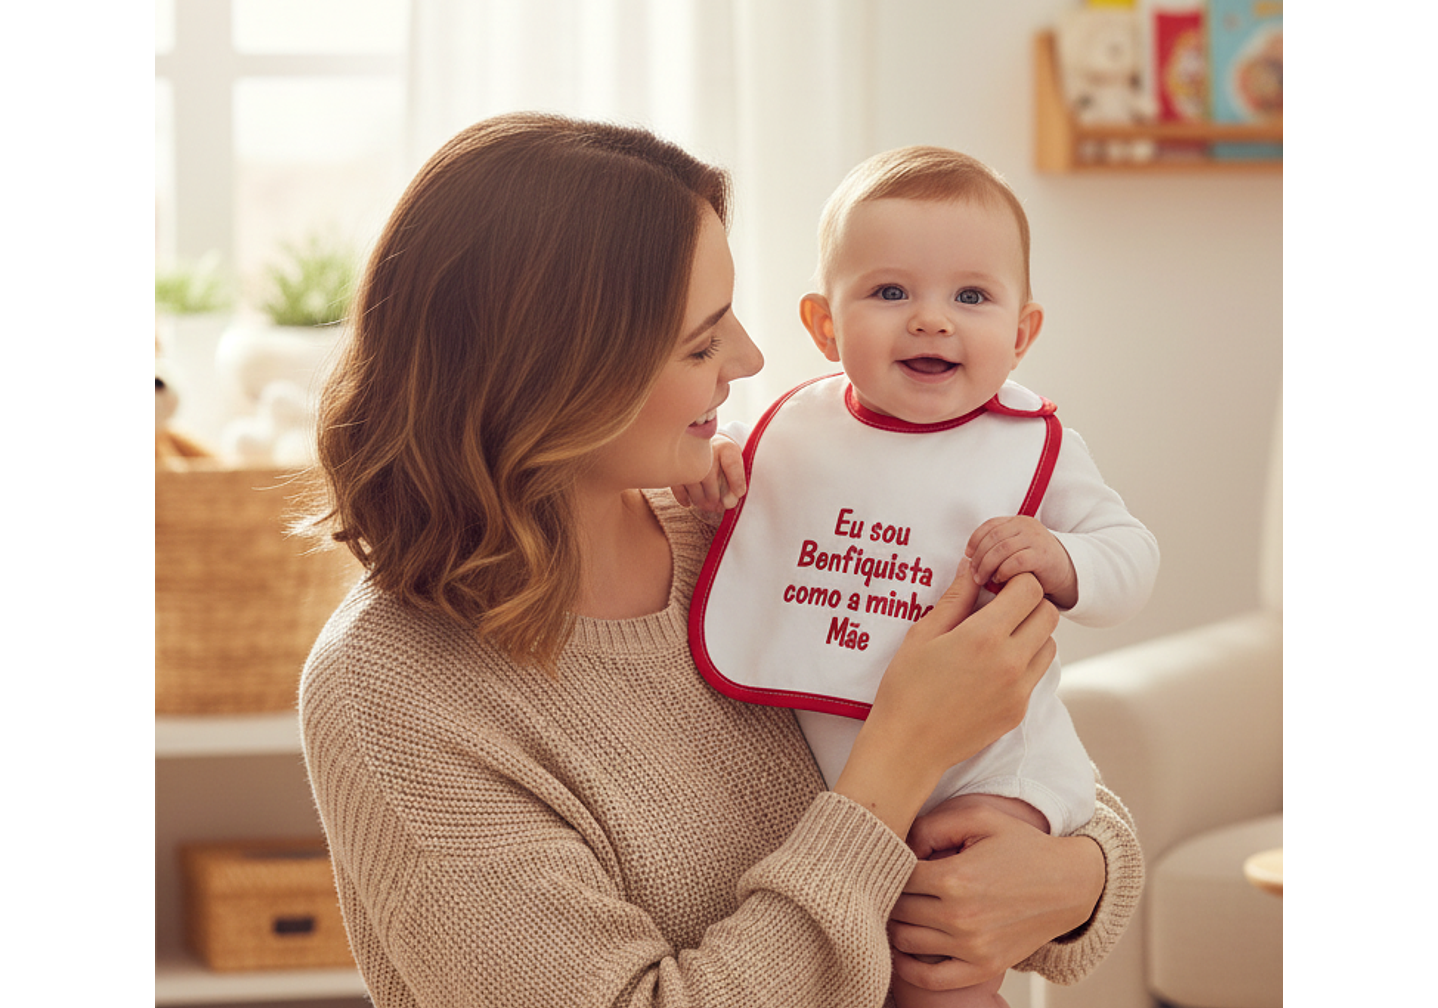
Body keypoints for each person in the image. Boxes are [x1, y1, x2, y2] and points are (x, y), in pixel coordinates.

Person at [299, 114, 1143, 1008]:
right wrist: (900, 755)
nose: (751, 358)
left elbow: (1033, 767)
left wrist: (1077, 879)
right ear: (559, 378)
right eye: (701, 343)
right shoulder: (394, 693)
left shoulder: (749, 517)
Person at [684, 146, 1159, 1007]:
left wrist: (1065, 559)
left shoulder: (1033, 448)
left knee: (937, 963)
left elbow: (1133, 559)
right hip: (845, 771)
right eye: (890, 292)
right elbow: (744, 495)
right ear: (825, 326)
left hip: (991, 775)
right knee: (860, 953)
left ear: (1022, 334)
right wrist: (722, 462)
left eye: (971, 297)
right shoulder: (790, 430)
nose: (932, 320)